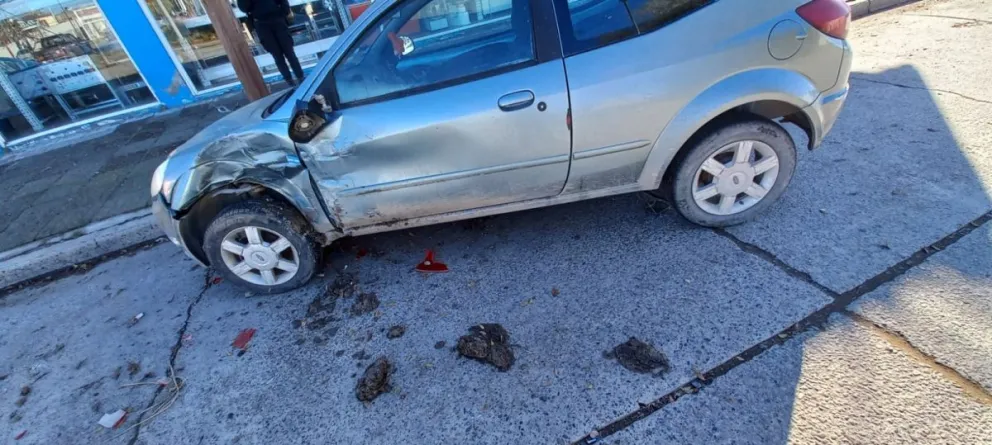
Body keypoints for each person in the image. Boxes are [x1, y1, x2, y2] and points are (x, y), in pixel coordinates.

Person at [237, 0, 305, 86]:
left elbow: (283, 2)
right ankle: (289, 81)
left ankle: (301, 77)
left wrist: (283, 12)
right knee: (277, 55)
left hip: (278, 20)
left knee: (289, 52)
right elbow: (243, 8)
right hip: (261, 24)